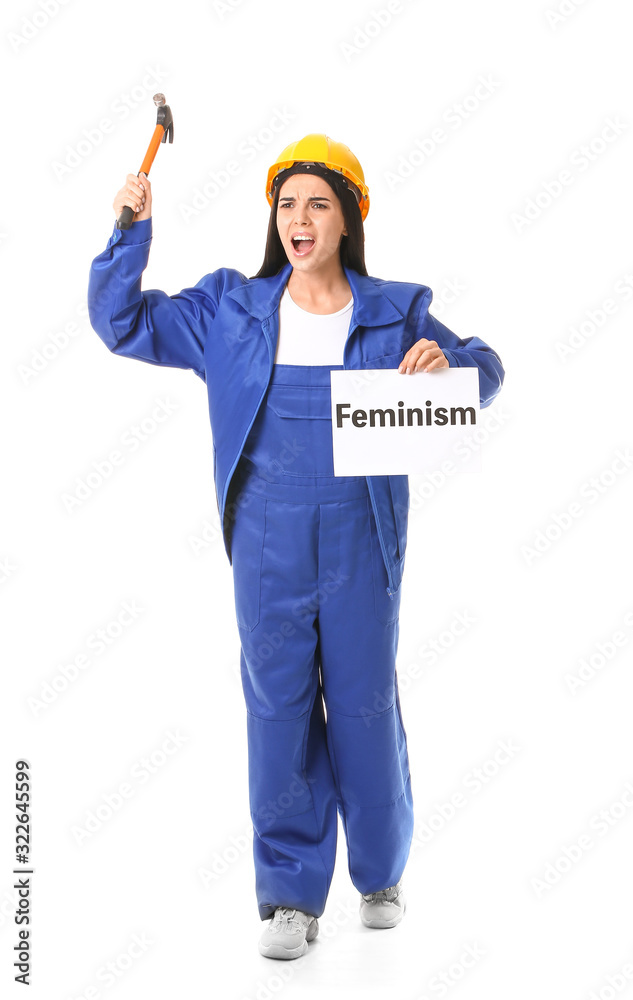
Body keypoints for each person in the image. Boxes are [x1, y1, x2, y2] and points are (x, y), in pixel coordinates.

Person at [88, 133, 505, 961]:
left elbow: (486, 370)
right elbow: (121, 321)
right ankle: (289, 898)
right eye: (286, 204)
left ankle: (379, 875)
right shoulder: (231, 312)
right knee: (277, 710)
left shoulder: (393, 312)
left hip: (362, 539)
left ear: (348, 217)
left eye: (318, 202)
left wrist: (442, 361)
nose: (299, 219)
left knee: (361, 705)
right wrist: (129, 232)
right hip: (267, 539)